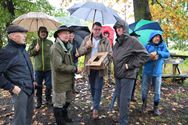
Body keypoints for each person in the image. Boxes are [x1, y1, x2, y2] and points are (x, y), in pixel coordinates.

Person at [112, 20, 149, 125]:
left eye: (121, 27)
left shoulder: (132, 40)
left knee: (124, 101)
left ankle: (123, 122)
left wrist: (130, 65)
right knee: (120, 100)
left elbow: (145, 55)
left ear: (125, 29)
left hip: (127, 76)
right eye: (117, 28)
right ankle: (121, 119)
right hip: (118, 75)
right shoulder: (117, 43)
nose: (118, 29)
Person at [0, 24, 35, 125]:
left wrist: (33, 81)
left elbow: (27, 67)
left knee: (28, 118)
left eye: (25, 33)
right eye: (22, 33)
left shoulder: (22, 49)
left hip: (30, 88)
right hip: (20, 91)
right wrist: (11, 87)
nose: (25, 36)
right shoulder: (6, 52)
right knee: (20, 121)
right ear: (13, 36)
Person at [76, 22, 112, 119]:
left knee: (98, 87)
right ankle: (95, 101)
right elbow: (79, 52)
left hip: (100, 67)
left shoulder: (105, 40)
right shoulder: (87, 39)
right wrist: (86, 46)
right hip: (89, 67)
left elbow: (110, 54)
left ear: (101, 30)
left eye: (99, 29)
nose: (97, 31)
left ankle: (95, 108)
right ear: (92, 29)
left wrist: (105, 61)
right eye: (95, 29)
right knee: (92, 87)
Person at [50, 25, 77, 125]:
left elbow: (68, 62)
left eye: (68, 33)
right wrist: (74, 68)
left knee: (68, 100)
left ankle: (65, 117)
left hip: (68, 80)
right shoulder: (55, 47)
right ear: (58, 35)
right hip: (60, 81)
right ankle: (60, 122)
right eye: (64, 33)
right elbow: (58, 66)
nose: (67, 35)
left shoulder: (67, 46)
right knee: (58, 104)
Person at [141, 31, 170, 116]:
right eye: (155, 36)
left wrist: (158, 53)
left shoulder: (162, 46)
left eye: (159, 37)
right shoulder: (147, 46)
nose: (157, 38)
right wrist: (151, 57)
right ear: (151, 37)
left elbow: (167, 54)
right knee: (144, 90)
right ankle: (144, 105)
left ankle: (156, 108)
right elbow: (143, 58)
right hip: (147, 72)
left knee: (157, 91)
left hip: (157, 73)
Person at [28, 26, 53, 108]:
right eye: (41, 32)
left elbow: (54, 54)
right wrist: (35, 49)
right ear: (39, 33)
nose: (43, 33)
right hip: (38, 69)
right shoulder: (35, 42)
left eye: (44, 32)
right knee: (38, 85)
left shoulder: (50, 42)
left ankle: (48, 99)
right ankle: (39, 101)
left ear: (46, 33)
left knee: (49, 85)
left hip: (49, 68)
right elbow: (29, 53)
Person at [130, 32, 141, 102]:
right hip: (128, 67)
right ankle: (127, 96)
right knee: (128, 83)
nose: (137, 38)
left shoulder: (139, 46)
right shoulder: (128, 46)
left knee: (134, 82)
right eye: (136, 37)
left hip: (136, 67)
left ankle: (132, 95)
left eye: (137, 37)